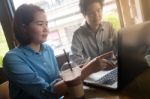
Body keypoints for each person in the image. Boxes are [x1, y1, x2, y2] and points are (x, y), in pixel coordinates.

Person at [3, 4, 115, 99]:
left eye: (46, 24)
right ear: (24, 28)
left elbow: (58, 81)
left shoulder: (48, 49)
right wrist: (87, 69)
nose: (46, 28)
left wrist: (78, 69)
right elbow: (47, 94)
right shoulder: (12, 59)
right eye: (40, 24)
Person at [70, 0, 118, 65]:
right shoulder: (78, 35)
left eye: (98, 10)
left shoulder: (109, 26)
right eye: (91, 13)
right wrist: (92, 64)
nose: (96, 15)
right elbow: (74, 58)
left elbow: (119, 45)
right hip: (93, 73)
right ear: (84, 15)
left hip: (112, 66)